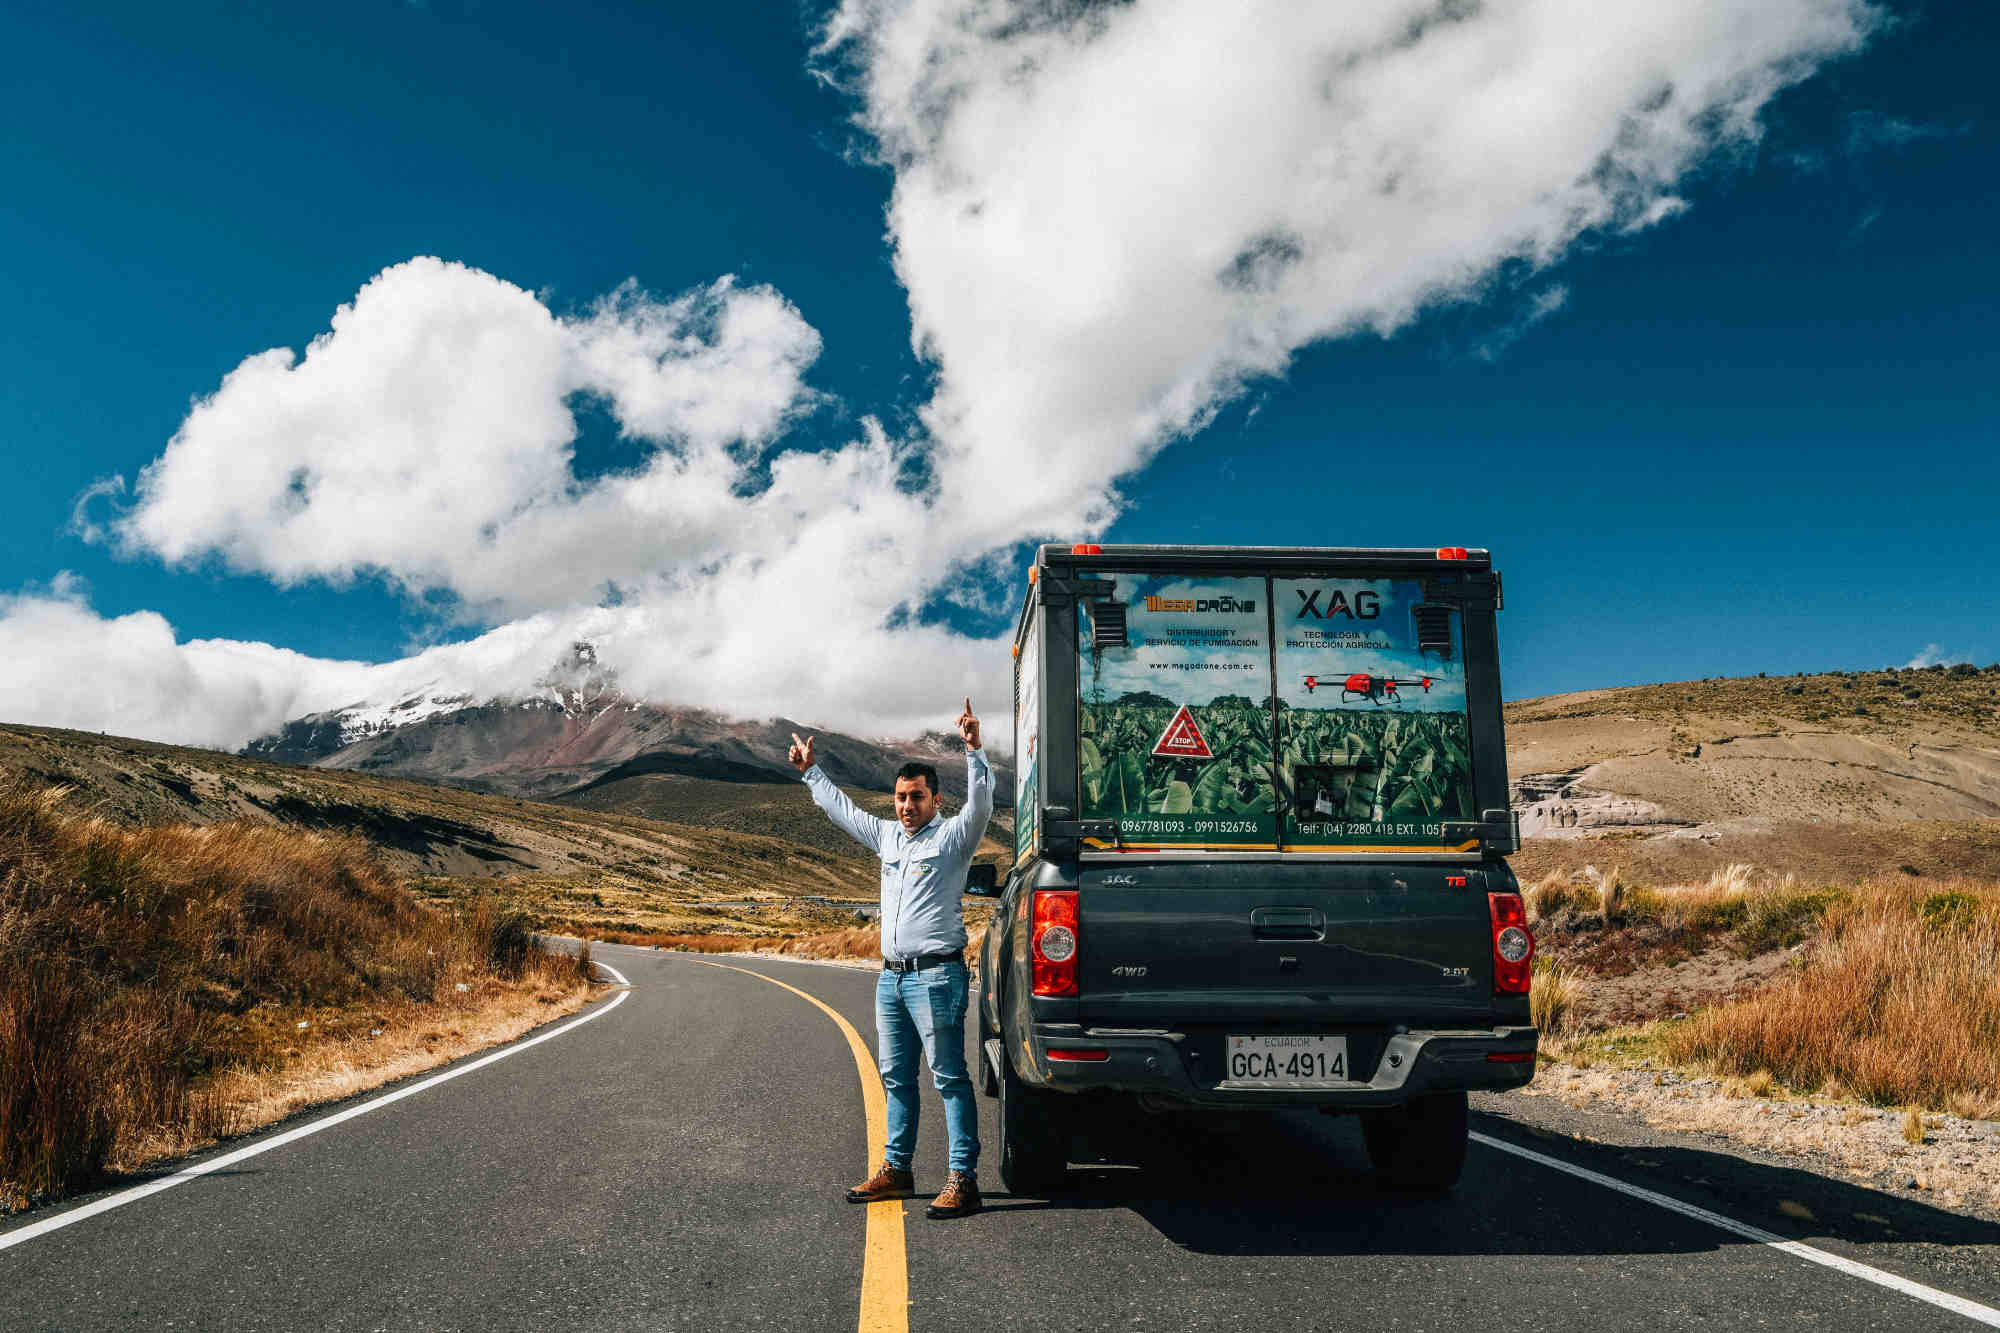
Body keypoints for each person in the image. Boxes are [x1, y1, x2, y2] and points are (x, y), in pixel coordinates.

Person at [788, 697, 993, 1220]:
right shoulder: (887, 838)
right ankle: (897, 1171)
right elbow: (845, 814)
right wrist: (813, 773)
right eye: (901, 797)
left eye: (917, 798)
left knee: (949, 1076)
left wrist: (974, 750)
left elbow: (982, 805)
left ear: (935, 799)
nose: (907, 806)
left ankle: (963, 1179)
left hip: (938, 977)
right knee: (896, 1077)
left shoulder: (951, 838)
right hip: (891, 981)